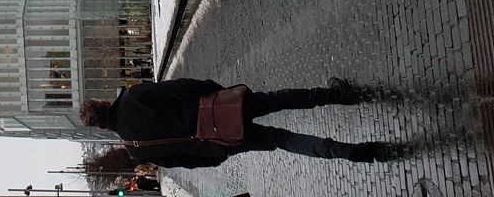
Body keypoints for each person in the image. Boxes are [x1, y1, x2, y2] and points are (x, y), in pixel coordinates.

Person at [79, 77, 403, 168]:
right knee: (280, 99)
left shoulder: (135, 150)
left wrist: (218, 155)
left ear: (102, 127)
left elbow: (182, 161)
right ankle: (338, 96)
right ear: (106, 103)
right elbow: (178, 88)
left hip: (221, 141)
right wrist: (214, 89)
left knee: (283, 141)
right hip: (219, 106)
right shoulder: (133, 98)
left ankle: (346, 152)